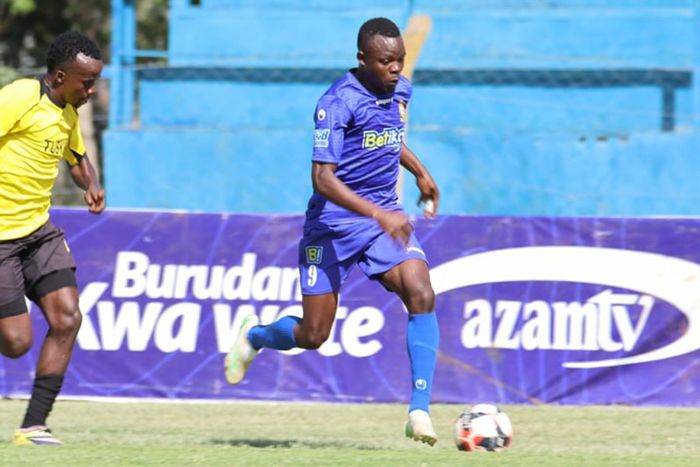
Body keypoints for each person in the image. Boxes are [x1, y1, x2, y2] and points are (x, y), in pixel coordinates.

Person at [225, 17, 441, 445]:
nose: (395, 69)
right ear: (362, 59)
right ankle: (254, 336)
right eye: (385, 61)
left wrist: (420, 172)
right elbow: (322, 178)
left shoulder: (399, 90)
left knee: (421, 292)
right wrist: (378, 216)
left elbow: (388, 137)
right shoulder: (336, 102)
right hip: (333, 227)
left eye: (399, 60)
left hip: (382, 218)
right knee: (314, 335)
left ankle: (419, 411)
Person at [0, 31, 105, 446]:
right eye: (87, 83)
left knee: (67, 317)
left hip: (38, 233)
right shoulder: (20, 97)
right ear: (60, 76)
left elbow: (76, 157)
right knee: (15, 343)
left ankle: (33, 427)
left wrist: (90, 183)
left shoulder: (67, 112)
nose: (91, 91)